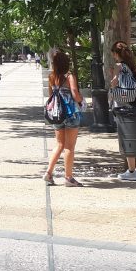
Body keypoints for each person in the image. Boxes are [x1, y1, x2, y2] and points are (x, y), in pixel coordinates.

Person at [109, 43, 136, 181]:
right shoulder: (135, 67)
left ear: (116, 54)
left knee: (128, 136)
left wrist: (114, 83)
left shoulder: (119, 66)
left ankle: (131, 170)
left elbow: (114, 83)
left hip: (127, 104)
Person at [44, 51, 84, 187]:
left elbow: (50, 95)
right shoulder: (69, 76)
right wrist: (81, 100)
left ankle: (49, 173)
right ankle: (68, 177)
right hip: (71, 114)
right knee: (69, 147)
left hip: (57, 114)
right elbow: (74, 94)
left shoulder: (52, 77)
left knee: (59, 144)